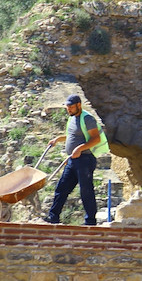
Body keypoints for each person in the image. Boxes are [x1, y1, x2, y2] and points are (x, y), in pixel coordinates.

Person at [44, 94, 101, 225]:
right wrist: (58, 139)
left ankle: (90, 221)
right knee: (62, 188)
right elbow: (72, 136)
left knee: (86, 189)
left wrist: (80, 148)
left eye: (71, 106)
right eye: (67, 106)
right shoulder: (72, 118)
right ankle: (53, 217)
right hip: (73, 160)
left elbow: (95, 139)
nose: (68, 109)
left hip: (85, 159)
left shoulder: (87, 119)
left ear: (79, 105)